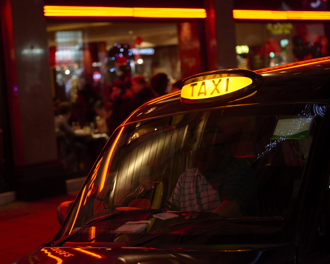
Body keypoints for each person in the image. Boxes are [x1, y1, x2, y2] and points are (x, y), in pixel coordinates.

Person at [169, 128, 257, 217]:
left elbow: (232, 207)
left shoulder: (237, 168)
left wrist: (198, 224)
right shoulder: (185, 178)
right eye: (196, 147)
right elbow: (171, 210)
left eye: (208, 146)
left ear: (221, 148)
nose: (202, 153)